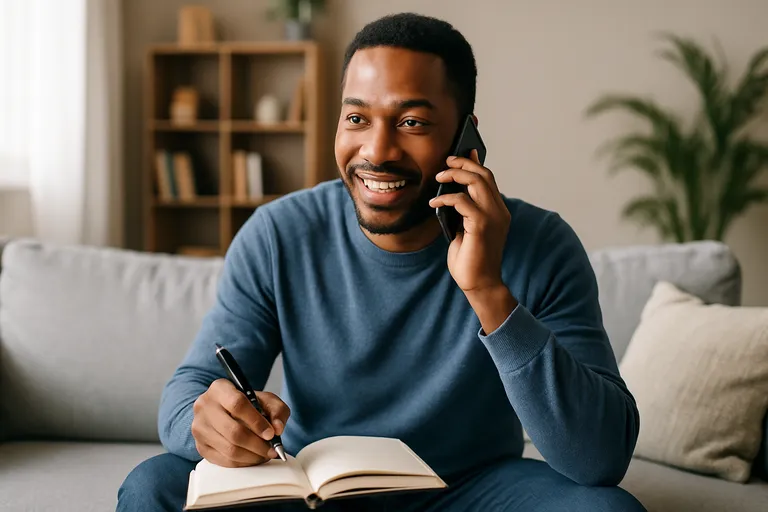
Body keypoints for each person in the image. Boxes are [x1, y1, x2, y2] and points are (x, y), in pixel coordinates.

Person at [118, 12, 646, 512]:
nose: (377, 150)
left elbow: (598, 458)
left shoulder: (542, 244)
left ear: (467, 139)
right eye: (356, 117)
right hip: (313, 488)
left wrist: (488, 291)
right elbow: (189, 392)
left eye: (412, 121)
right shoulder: (279, 235)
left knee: (606, 508)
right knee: (155, 485)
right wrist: (206, 422)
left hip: (470, 490)